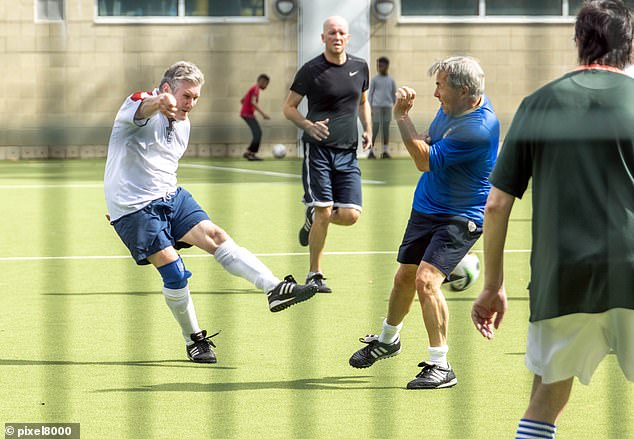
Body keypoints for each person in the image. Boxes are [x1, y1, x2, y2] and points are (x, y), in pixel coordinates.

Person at [471, 1, 634, 437]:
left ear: (579, 42)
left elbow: (497, 204)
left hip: (562, 277)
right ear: (630, 46)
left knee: (545, 398)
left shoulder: (539, 103)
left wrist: (492, 286)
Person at [104, 61, 317, 364]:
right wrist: (159, 103)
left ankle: (274, 289)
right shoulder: (137, 103)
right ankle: (194, 340)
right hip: (134, 207)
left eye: (195, 98)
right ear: (167, 89)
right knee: (174, 270)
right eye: (185, 96)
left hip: (169, 195)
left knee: (217, 236)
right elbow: (145, 107)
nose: (190, 104)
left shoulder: (183, 123)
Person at [349, 56, 500, 389]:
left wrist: (401, 116)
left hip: (462, 215)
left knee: (426, 280)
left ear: (463, 91)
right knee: (404, 276)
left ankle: (441, 365)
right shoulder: (453, 106)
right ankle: (388, 340)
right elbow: (432, 138)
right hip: (428, 206)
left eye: (440, 86)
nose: (435, 93)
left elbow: (423, 160)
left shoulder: (477, 127)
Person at [282, 16, 372, 293]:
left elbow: (363, 101)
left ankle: (313, 218)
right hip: (317, 151)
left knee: (350, 214)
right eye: (331, 32)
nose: (337, 37)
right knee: (324, 210)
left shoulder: (360, 67)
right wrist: (308, 125)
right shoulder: (311, 71)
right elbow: (289, 107)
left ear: (348, 37)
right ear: (323, 38)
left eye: (341, 33)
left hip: (348, 152)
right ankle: (314, 274)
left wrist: (368, 128)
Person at [368, 56, 396, 159]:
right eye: (378, 66)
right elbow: (370, 94)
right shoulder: (375, 79)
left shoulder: (391, 80)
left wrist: (395, 106)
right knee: (375, 128)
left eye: (382, 65)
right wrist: (370, 107)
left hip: (387, 107)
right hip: (376, 106)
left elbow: (394, 95)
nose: (380, 68)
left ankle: (385, 151)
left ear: (387, 66)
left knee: (385, 129)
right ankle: (371, 151)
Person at [240, 74, 271, 161]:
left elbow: (242, 100)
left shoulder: (253, 88)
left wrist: (247, 108)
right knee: (258, 133)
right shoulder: (256, 89)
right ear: (262, 82)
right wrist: (263, 114)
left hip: (246, 114)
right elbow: (253, 102)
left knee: (257, 133)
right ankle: (250, 153)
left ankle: (249, 152)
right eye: (266, 84)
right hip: (247, 115)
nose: (266, 86)